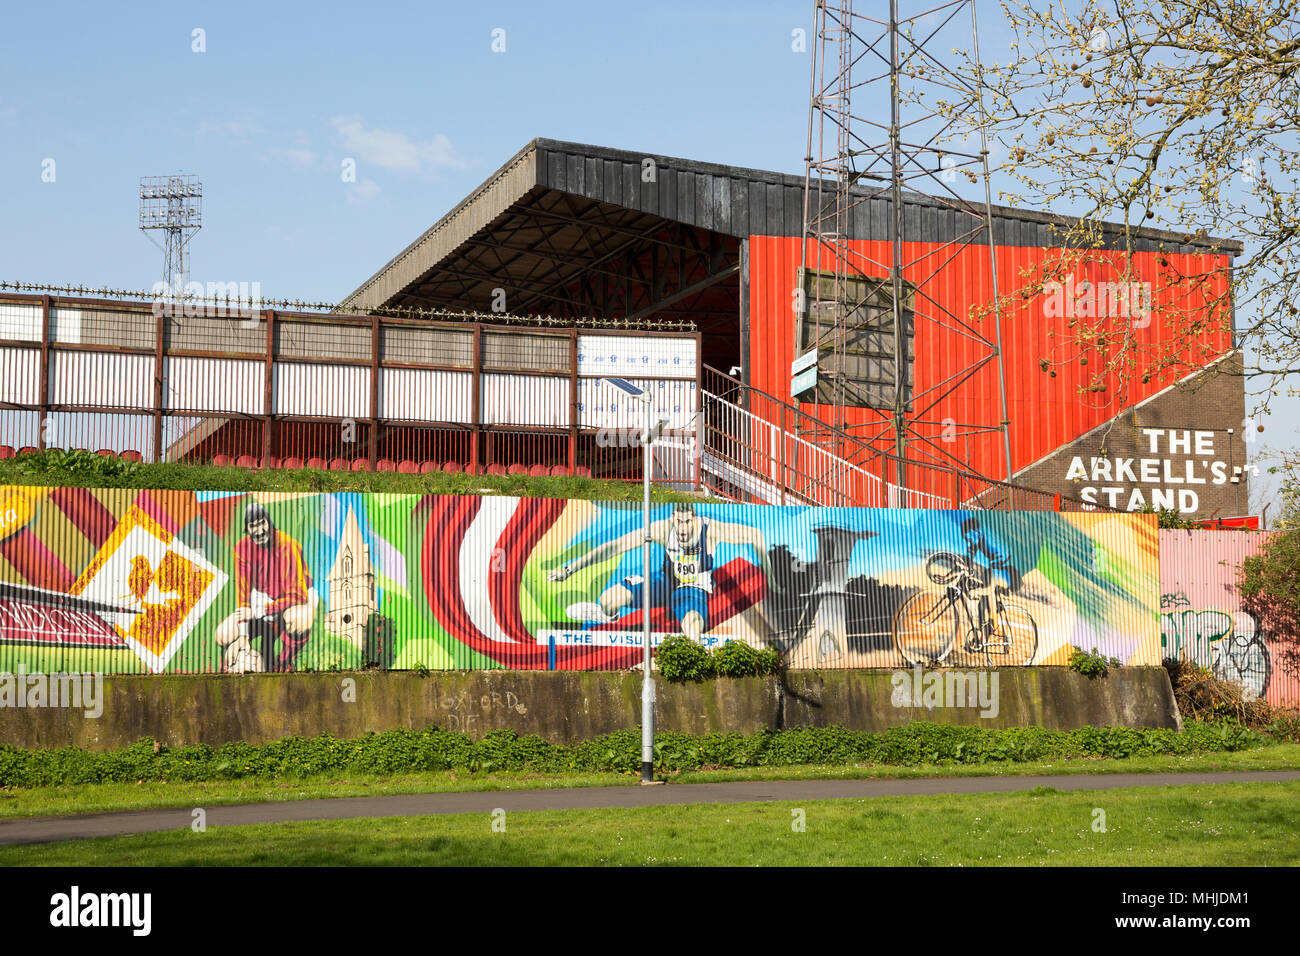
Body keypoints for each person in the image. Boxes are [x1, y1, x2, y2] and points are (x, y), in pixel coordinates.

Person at [547, 503, 778, 641]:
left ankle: (690, 662)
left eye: (688, 522)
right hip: (664, 582)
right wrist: (570, 569)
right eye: (679, 523)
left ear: (694, 520)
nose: (683, 529)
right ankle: (606, 615)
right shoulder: (661, 529)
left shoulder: (711, 530)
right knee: (609, 599)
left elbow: (755, 535)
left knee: (693, 625)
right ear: (672, 519)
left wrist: (771, 579)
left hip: (693, 588)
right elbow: (614, 547)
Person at [214, 502, 316, 672]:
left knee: (299, 620)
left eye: (262, 523)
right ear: (247, 529)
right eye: (253, 526)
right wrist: (244, 635)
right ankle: (236, 663)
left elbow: (298, 596)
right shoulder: (241, 548)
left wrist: (261, 611)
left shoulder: (287, 545)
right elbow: (243, 594)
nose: (259, 530)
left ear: (269, 522)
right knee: (223, 634)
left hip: (295, 600)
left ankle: (283, 662)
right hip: (263, 600)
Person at [958, 517, 1022, 632]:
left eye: (968, 537)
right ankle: (983, 635)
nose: (968, 540)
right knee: (982, 603)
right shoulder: (981, 538)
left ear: (976, 532)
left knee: (984, 594)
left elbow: (989, 586)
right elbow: (969, 555)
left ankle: (990, 625)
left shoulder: (988, 544)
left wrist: (974, 592)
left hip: (1006, 575)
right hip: (1000, 571)